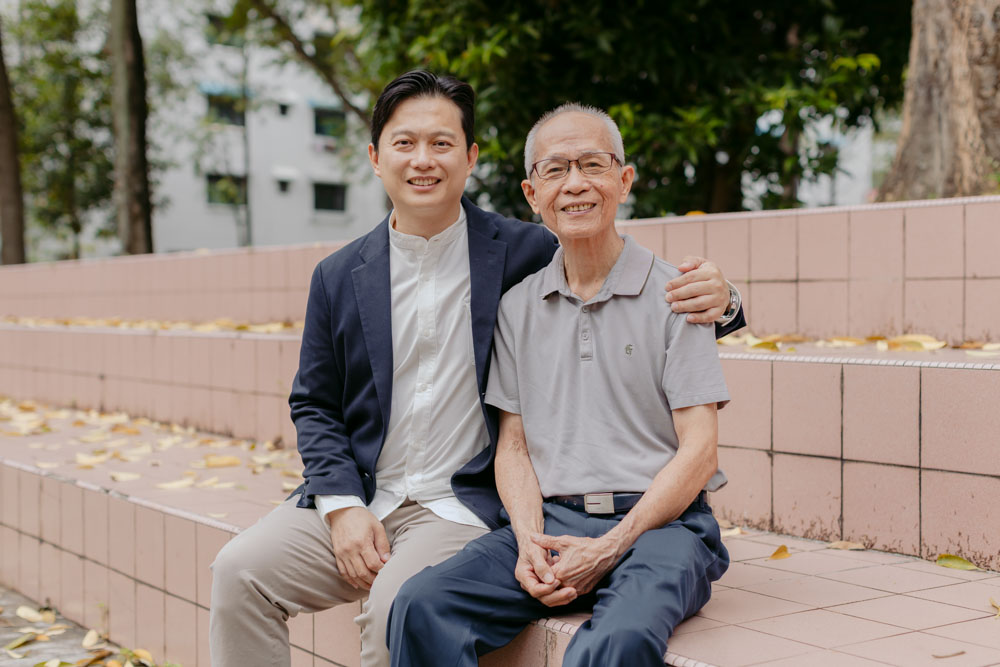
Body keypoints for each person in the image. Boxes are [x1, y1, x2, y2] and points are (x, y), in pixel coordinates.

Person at [209, 72, 744, 667]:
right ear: (376, 157)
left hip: (460, 503)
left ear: (470, 158)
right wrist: (340, 505)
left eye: (441, 143)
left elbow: (607, 262)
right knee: (237, 572)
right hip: (366, 493)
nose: (423, 160)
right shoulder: (337, 275)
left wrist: (726, 300)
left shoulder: (522, 252)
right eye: (405, 143)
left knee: (399, 607)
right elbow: (314, 403)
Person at [387, 103, 731, 667]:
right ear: (532, 193)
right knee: (422, 605)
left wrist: (611, 545)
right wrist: (528, 540)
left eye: (593, 165)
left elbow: (700, 451)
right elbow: (513, 446)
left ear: (624, 180)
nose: (575, 184)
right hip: (552, 521)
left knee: (618, 641)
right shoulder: (517, 307)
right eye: (555, 170)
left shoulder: (680, 295)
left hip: (663, 527)